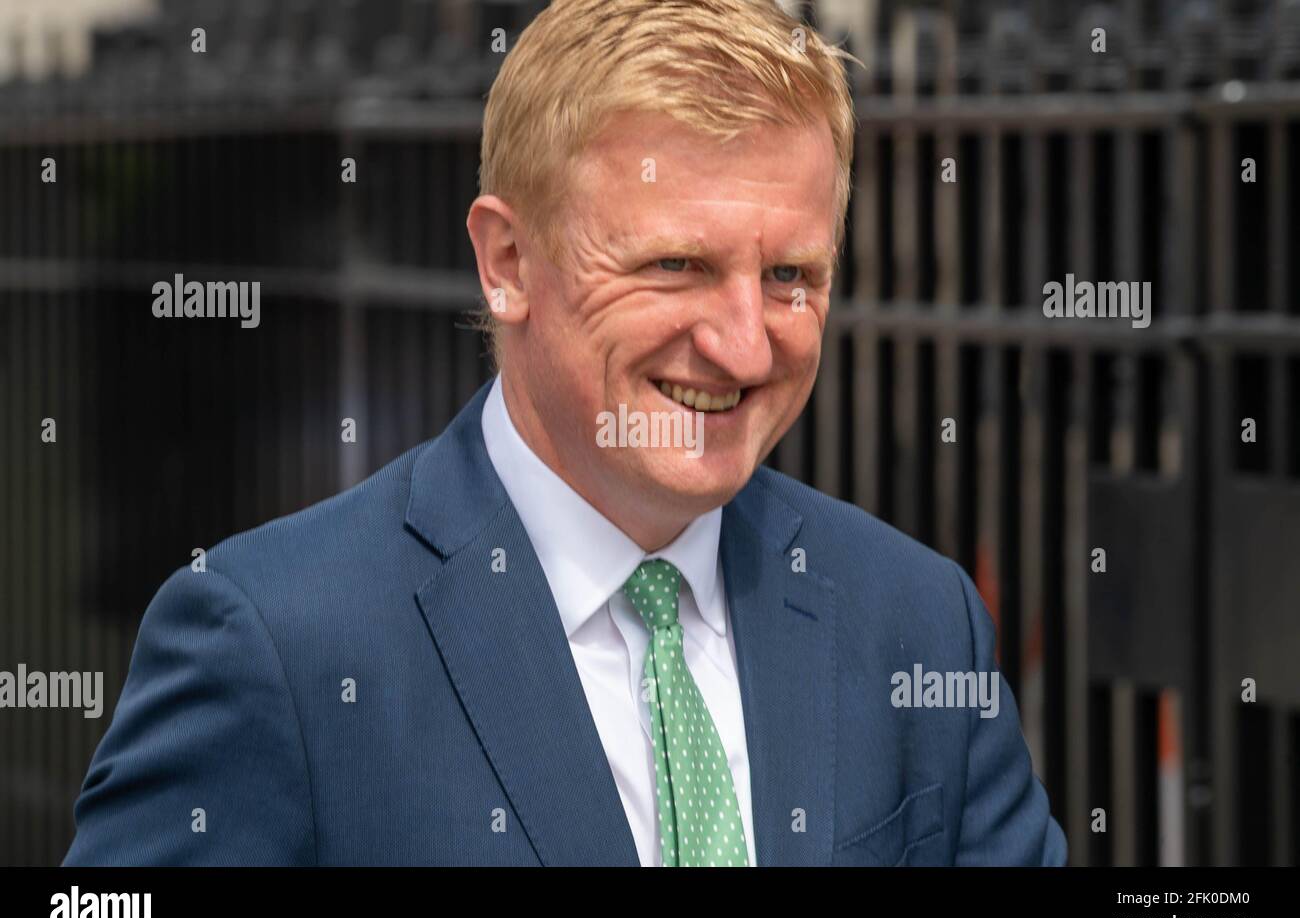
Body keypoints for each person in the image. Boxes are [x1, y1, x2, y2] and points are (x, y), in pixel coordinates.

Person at [65, 0, 1067, 866]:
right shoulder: (276, 642)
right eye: (675, 265)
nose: (745, 347)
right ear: (506, 260)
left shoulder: (914, 616)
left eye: (788, 277)